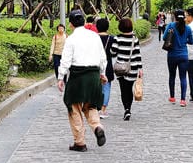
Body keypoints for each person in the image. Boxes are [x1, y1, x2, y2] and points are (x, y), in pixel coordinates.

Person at [57, 9, 107, 151]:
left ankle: (80, 142)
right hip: (94, 75)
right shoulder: (94, 36)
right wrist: (102, 73)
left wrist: (61, 77)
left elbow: (65, 61)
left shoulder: (71, 39)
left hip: (77, 76)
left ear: (71, 24)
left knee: (74, 107)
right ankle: (97, 127)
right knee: (90, 106)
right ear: (84, 22)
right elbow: (102, 58)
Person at [111, 17, 144, 120]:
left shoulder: (117, 38)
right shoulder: (135, 39)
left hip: (120, 68)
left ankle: (126, 108)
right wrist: (140, 68)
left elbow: (113, 52)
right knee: (129, 89)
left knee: (123, 89)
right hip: (132, 68)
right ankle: (128, 108)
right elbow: (137, 54)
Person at [163, 11, 193, 104]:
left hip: (172, 55)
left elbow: (165, 37)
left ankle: (172, 97)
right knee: (183, 77)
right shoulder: (188, 28)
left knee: (172, 76)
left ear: (175, 17)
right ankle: (183, 100)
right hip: (184, 55)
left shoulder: (171, 26)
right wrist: (184, 41)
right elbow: (191, 41)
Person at [95, 17, 115, 117]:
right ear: (107, 27)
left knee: (96, 87)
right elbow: (114, 52)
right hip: (107, 65)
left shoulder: (93, 38)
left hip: (94, 65)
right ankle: (103, 110)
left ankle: (95, 108)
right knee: (106, 88)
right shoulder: (111, 39)